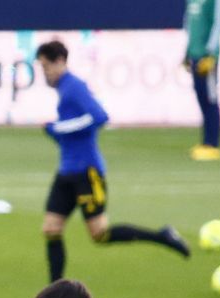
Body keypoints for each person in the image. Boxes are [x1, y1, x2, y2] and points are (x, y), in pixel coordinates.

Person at [35, 40, 189, 283]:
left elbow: (100, 116)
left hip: (87, 172)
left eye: (46, 67)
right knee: (51, 229)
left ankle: (162, 236)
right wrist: (57, 132)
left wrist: (57, 127)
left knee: (100, 234)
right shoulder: (64, 90)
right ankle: (54, 295)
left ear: (60, 62)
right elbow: (74, 133)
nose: (44, 73)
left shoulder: (73, 86)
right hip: (66, 170)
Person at [183, 0, 220, 159]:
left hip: (206, 56)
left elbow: (218, 22)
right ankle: (205, 141)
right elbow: (189, 24)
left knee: (210, 99)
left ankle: (213, 143)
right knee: (201, 98)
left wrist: (211, 53)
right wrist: (187, 53)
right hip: (195, 54)